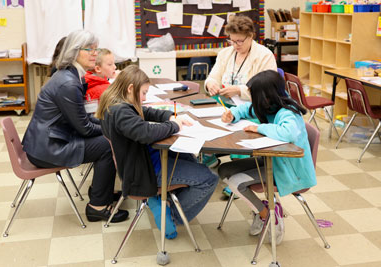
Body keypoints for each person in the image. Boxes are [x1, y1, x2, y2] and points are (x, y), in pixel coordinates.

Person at [96, 65, 219, 239]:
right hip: (144, 171)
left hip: (141, 161)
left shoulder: (116, 103)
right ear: (130, 88)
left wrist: (168, 116)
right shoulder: (121, 112)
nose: (145, 98)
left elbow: (144, 112)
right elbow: (145, 133)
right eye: (144, 93)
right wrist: (174, 125)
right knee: (209, 178)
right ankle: (171, 215)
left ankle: (162, 199)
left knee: (190, 160)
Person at [22, 30, 129, 223]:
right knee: (107, 144)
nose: (95, 54)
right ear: (74, 51)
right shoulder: (68, 83)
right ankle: (98, 207)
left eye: (95, 49)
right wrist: (112, 129)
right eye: (89, 49)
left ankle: (100, 191)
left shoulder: (70, 74)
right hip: (48, 148)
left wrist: (108, 124)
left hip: (50, 139)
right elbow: (85, 128)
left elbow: (82, 121)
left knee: (107, 137)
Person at [218, 70, 317, 245]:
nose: (253, 101)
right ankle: (264, 211)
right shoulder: (268, 105)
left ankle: (267, 215)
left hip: (288, 170)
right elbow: (246, 109)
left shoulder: (288, 112)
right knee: (224, 170)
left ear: (267, 96)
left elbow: (287, 133)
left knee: (237, 182)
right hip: (272, 161)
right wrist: (233, 114)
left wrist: (259, 128)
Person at [202, 15, 278, 168]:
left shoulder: (264, 56)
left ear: (250, 36)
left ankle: (240, 172)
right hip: (225, 104)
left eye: (239, 41)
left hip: (253, 108)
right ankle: (209, 155)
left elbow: (268, 91)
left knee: (240, 130)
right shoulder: (225, 53)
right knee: (205, 120)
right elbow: (212, 77)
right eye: (231, 40)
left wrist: (239, 90)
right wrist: (211, 84)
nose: (235, 45)